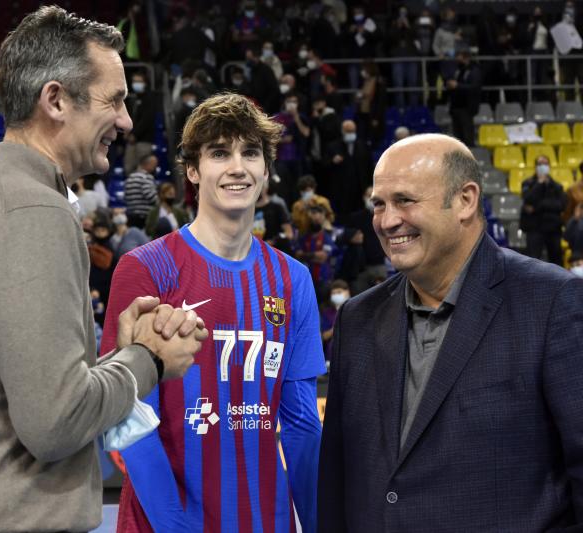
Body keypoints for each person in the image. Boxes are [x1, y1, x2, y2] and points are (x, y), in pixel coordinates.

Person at [0, 7, 208, 532]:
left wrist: (115, 356)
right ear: (56, 100)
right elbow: (56, 422)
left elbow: (25, 398)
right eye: (114, 100)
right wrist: (148, 360)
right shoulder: (34, 213)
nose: (126, 120)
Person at [318, 133, 583, 531]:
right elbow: (339, 478)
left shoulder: (550, 302)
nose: (388, 221)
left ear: (465, 200)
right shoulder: (357, 318)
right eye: (379, 205)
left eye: (405, 201)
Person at [102, 93, 325, 532]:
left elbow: (301, 425)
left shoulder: (292, 279)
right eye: (220, 153)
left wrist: (317, 523)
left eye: (250, 153)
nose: (237, 167)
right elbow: (127, 420)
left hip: (265, 520)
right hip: (163, 523)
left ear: (266, 169)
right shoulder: (145, 268)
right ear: (192, 169)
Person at [520, 155, 566, 266]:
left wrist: (536, 207)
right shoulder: (528, 183)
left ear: (549, 166)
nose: (543, 166)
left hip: (553, 228)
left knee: (556, 261)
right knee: (532, 262)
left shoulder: (557, 186)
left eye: (545, 164)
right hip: (534, 228)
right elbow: (528, 199)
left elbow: (561, 205)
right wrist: (539, 183)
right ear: (535, 166)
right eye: (540, 164)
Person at [124, 153, 159, 228]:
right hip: (144, 218)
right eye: (154, 164)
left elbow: (126, 197)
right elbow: (151, 197)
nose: (155, 167)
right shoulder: (147, 177)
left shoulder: (130, 177)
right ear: (148, 164)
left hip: (131, 216)